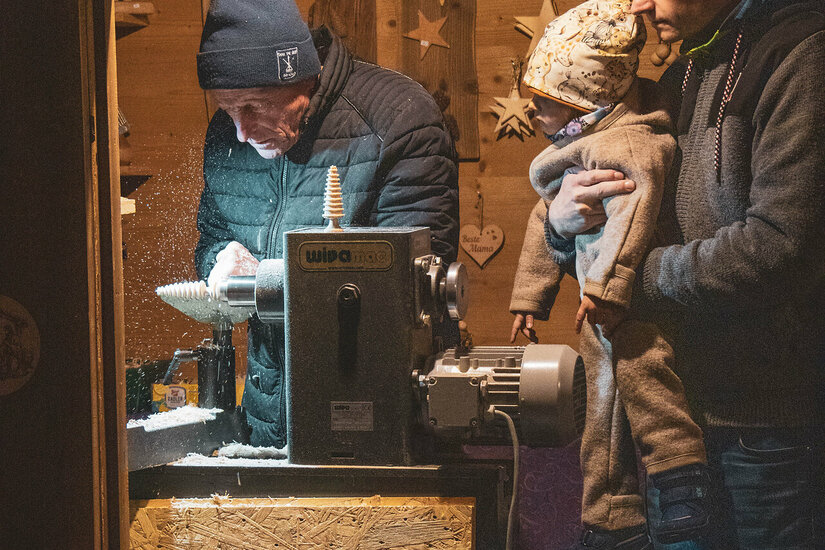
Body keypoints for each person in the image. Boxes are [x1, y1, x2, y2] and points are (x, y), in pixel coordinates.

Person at [544, 0, 825, 547]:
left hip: (764, 429)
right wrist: (560, 221)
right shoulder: (685, 67)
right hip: (672, 419)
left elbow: (778, 247)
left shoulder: (800, 55)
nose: (640, 4)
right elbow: (618, 216)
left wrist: (627, 278)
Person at [193, 0, 459, 447]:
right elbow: (212, 239)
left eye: (254, 106)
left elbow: (408, 289)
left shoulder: (399, 120)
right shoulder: (228, 134)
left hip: (383, 415)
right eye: (227, 108)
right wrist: (219, 261)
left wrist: (267, 278)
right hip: (268, 418)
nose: (240, 131)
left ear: (299, 75)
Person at [509, 2, 708, 548]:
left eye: (546, 103)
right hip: (595, 307)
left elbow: (634, 212)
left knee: (648, 384)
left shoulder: (627, 144)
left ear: (586, 106)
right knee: (602, 411)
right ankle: (610, 514)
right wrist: (531, 295)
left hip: (629, 305)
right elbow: (544, 213)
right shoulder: (576, 148)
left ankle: (681, 477)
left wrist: (609, 290)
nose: (532, 112)